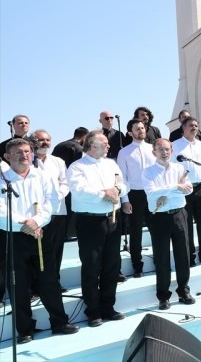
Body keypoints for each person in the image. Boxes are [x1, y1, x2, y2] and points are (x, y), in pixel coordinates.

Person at [1, 139, 79, 344]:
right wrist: (23, 224)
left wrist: (35, 222)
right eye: (18, 152)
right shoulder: (2, 179)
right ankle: (25, 329)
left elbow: (51, 203)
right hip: (12, 238)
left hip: (39, 235)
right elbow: (1, 211)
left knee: (49, 281)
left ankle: (59, 322)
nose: (24, 155)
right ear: (7, 157)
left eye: (27, 151)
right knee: (18, 285)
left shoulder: (43, 176)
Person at [67, 131, 130, 327]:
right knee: (92, 266)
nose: (109, 146)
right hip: (89, 222)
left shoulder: (111, 164)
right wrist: (105, 194)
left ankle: (108, 307)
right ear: (92, 145)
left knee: (112, 265)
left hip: (112, 218)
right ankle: (93, 311)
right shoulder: (77, 167)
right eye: (104, 143)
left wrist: (117, 191)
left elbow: (123, 184)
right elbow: (79, 190)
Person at [143, 139, 195, 310]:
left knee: (183, 254)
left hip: (179, 214)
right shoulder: (148, 172)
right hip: (159, 217)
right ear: (154, 153)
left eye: (167, 149)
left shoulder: (180, 168)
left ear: (172, 151)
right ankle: (163, 295)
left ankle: (183, 290)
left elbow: (188, 189)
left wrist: (168, 191)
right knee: (162, 257)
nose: (164, 152)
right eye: (160, 150)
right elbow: (151, 193)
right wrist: (175, 188)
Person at [172, 117, 201, 266]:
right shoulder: (175, 146)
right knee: (187, 224)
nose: (194, 128)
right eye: (191, 125)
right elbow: (171, 169)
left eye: (196, 125)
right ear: (183, 128)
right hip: (184, 190)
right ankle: (189, 256)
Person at [29, 130, 70, 287]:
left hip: (58, 210)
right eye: (41, 140)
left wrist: (56, 196)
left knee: (56, 248)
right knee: (37, 250)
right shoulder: (29, 161)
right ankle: (35, 285)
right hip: (37, 213)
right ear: (33, 142)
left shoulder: (58, 161)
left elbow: (65, 183)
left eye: (47, 140)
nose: (45, 142)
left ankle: (54, 282)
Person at [116, 119, 156, 277]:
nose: (141, 131)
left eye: (142, 128)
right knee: (136, 232)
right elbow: (121, 178)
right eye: (137, 129)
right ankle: (137, 265)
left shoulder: (153, 148)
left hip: (153, 193)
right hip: (134, 195)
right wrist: (125, 200)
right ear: (130, 133)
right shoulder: (124, 152)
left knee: (157, 230)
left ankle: (160, 261)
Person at [52, 126, 88, 241]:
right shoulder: (78, 149)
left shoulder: (59, 145)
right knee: (70, 212)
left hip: (56, 184)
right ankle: (68, 235)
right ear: (84, 137)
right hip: (70, 185)